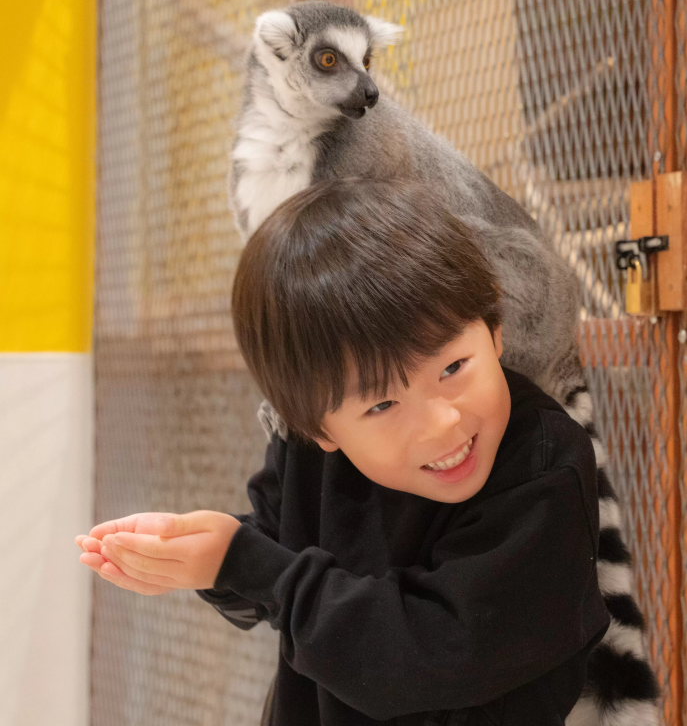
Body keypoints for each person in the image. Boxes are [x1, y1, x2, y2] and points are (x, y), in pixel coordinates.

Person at [77, 179, 610, 726]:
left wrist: (246, 563)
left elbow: (428, 659)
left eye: (453, 368)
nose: (442, 424)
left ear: (493, 329)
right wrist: (206, 559)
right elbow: (278, 564)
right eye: (382, 405)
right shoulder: (310, 453)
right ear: (317, 428)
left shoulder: (542, 468)